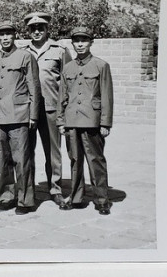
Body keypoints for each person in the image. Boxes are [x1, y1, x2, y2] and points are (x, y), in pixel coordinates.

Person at [57, 26, 114, 215]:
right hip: (72, 121)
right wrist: (60, 121)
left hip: (92, 121)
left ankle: (102, 200)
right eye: (76, 41)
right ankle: (76, 197)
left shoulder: (101, 65)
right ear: (72, 43)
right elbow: (62, 96)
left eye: (84, 40)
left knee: (96, 160)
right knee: (75, 161)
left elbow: (106, 95)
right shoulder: (68, 68)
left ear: (91, 42)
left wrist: (105, 123)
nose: (80, 44)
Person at [0, 21, 41, 215]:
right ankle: (5, 197)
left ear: (15, 36)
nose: (4, 38)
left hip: (19, 115)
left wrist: (33, 115)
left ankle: (25, 200)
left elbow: (34, 87)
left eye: (8, 34)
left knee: (21, 160)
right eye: (1, 35)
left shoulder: (25, 56)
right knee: (2, 160)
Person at [21, 12, 72, 207]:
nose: (36, 31)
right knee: (27, 151)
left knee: (53, 151)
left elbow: (68, 80)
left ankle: (55, 189)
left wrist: (64, 108)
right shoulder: (23, 50)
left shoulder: (59, 50)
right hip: (28, 110)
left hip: (51, 108)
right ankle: (29, 189)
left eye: (40, 28)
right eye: (33, 29)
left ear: (47, 29)